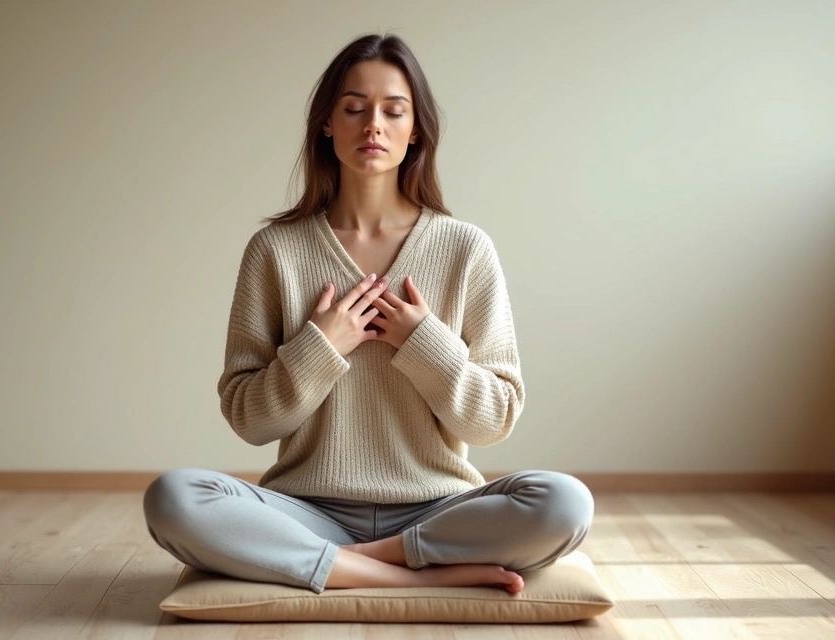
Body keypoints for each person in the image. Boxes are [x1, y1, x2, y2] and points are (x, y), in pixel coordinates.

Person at [143, 33, 593, 595]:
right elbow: (249, 421)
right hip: (306, 510)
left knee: (564, 502)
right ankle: (414, 578)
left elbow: (494, 419)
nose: (372, 125)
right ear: (327, 124)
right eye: (354, 109)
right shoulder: (275, 251)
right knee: (173, 497)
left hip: (439, 510)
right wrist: (318, 348)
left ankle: (350, 562)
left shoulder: (465, 249)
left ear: (416, 130)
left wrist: (424, 345)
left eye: (392, 111)